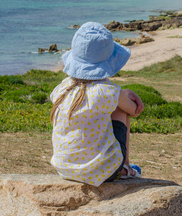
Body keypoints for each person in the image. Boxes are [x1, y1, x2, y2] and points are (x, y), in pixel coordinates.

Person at [50, 22, 144, 187]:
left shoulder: (62, 89)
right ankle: (124, 167)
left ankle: (121, 166)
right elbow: (134, 111)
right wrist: (129, 95)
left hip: (65, 169)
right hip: (103, 172)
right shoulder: (109, 91)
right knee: (120, 111)